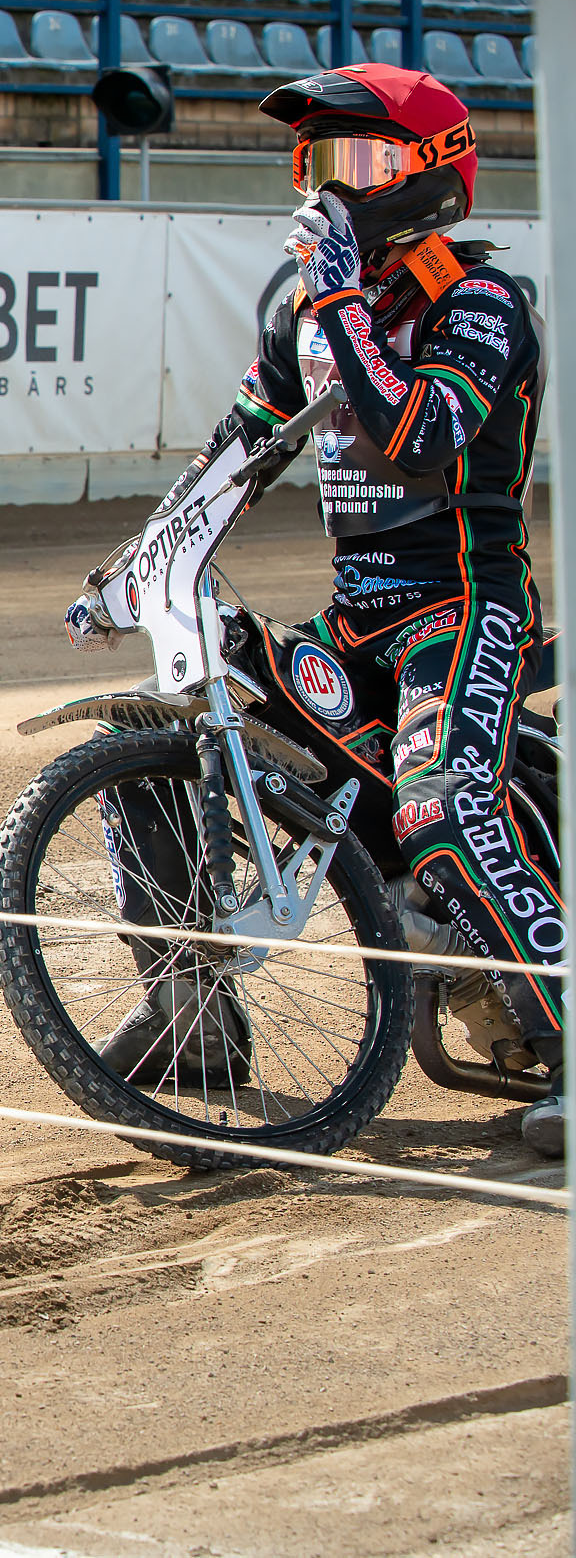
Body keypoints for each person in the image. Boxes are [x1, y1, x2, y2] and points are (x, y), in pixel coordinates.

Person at [68, 64, 559, 1154]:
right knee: (150, 723)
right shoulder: (308, 312)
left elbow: (420, 437)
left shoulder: (479, 302)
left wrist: (336, 302)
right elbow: (235, 453)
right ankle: (190, 1012)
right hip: (356, 621)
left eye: (360, 162)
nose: (332, 188)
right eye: (316, 162)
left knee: (437, 806)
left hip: (463, 611)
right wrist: (136, 568)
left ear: (431, 175)